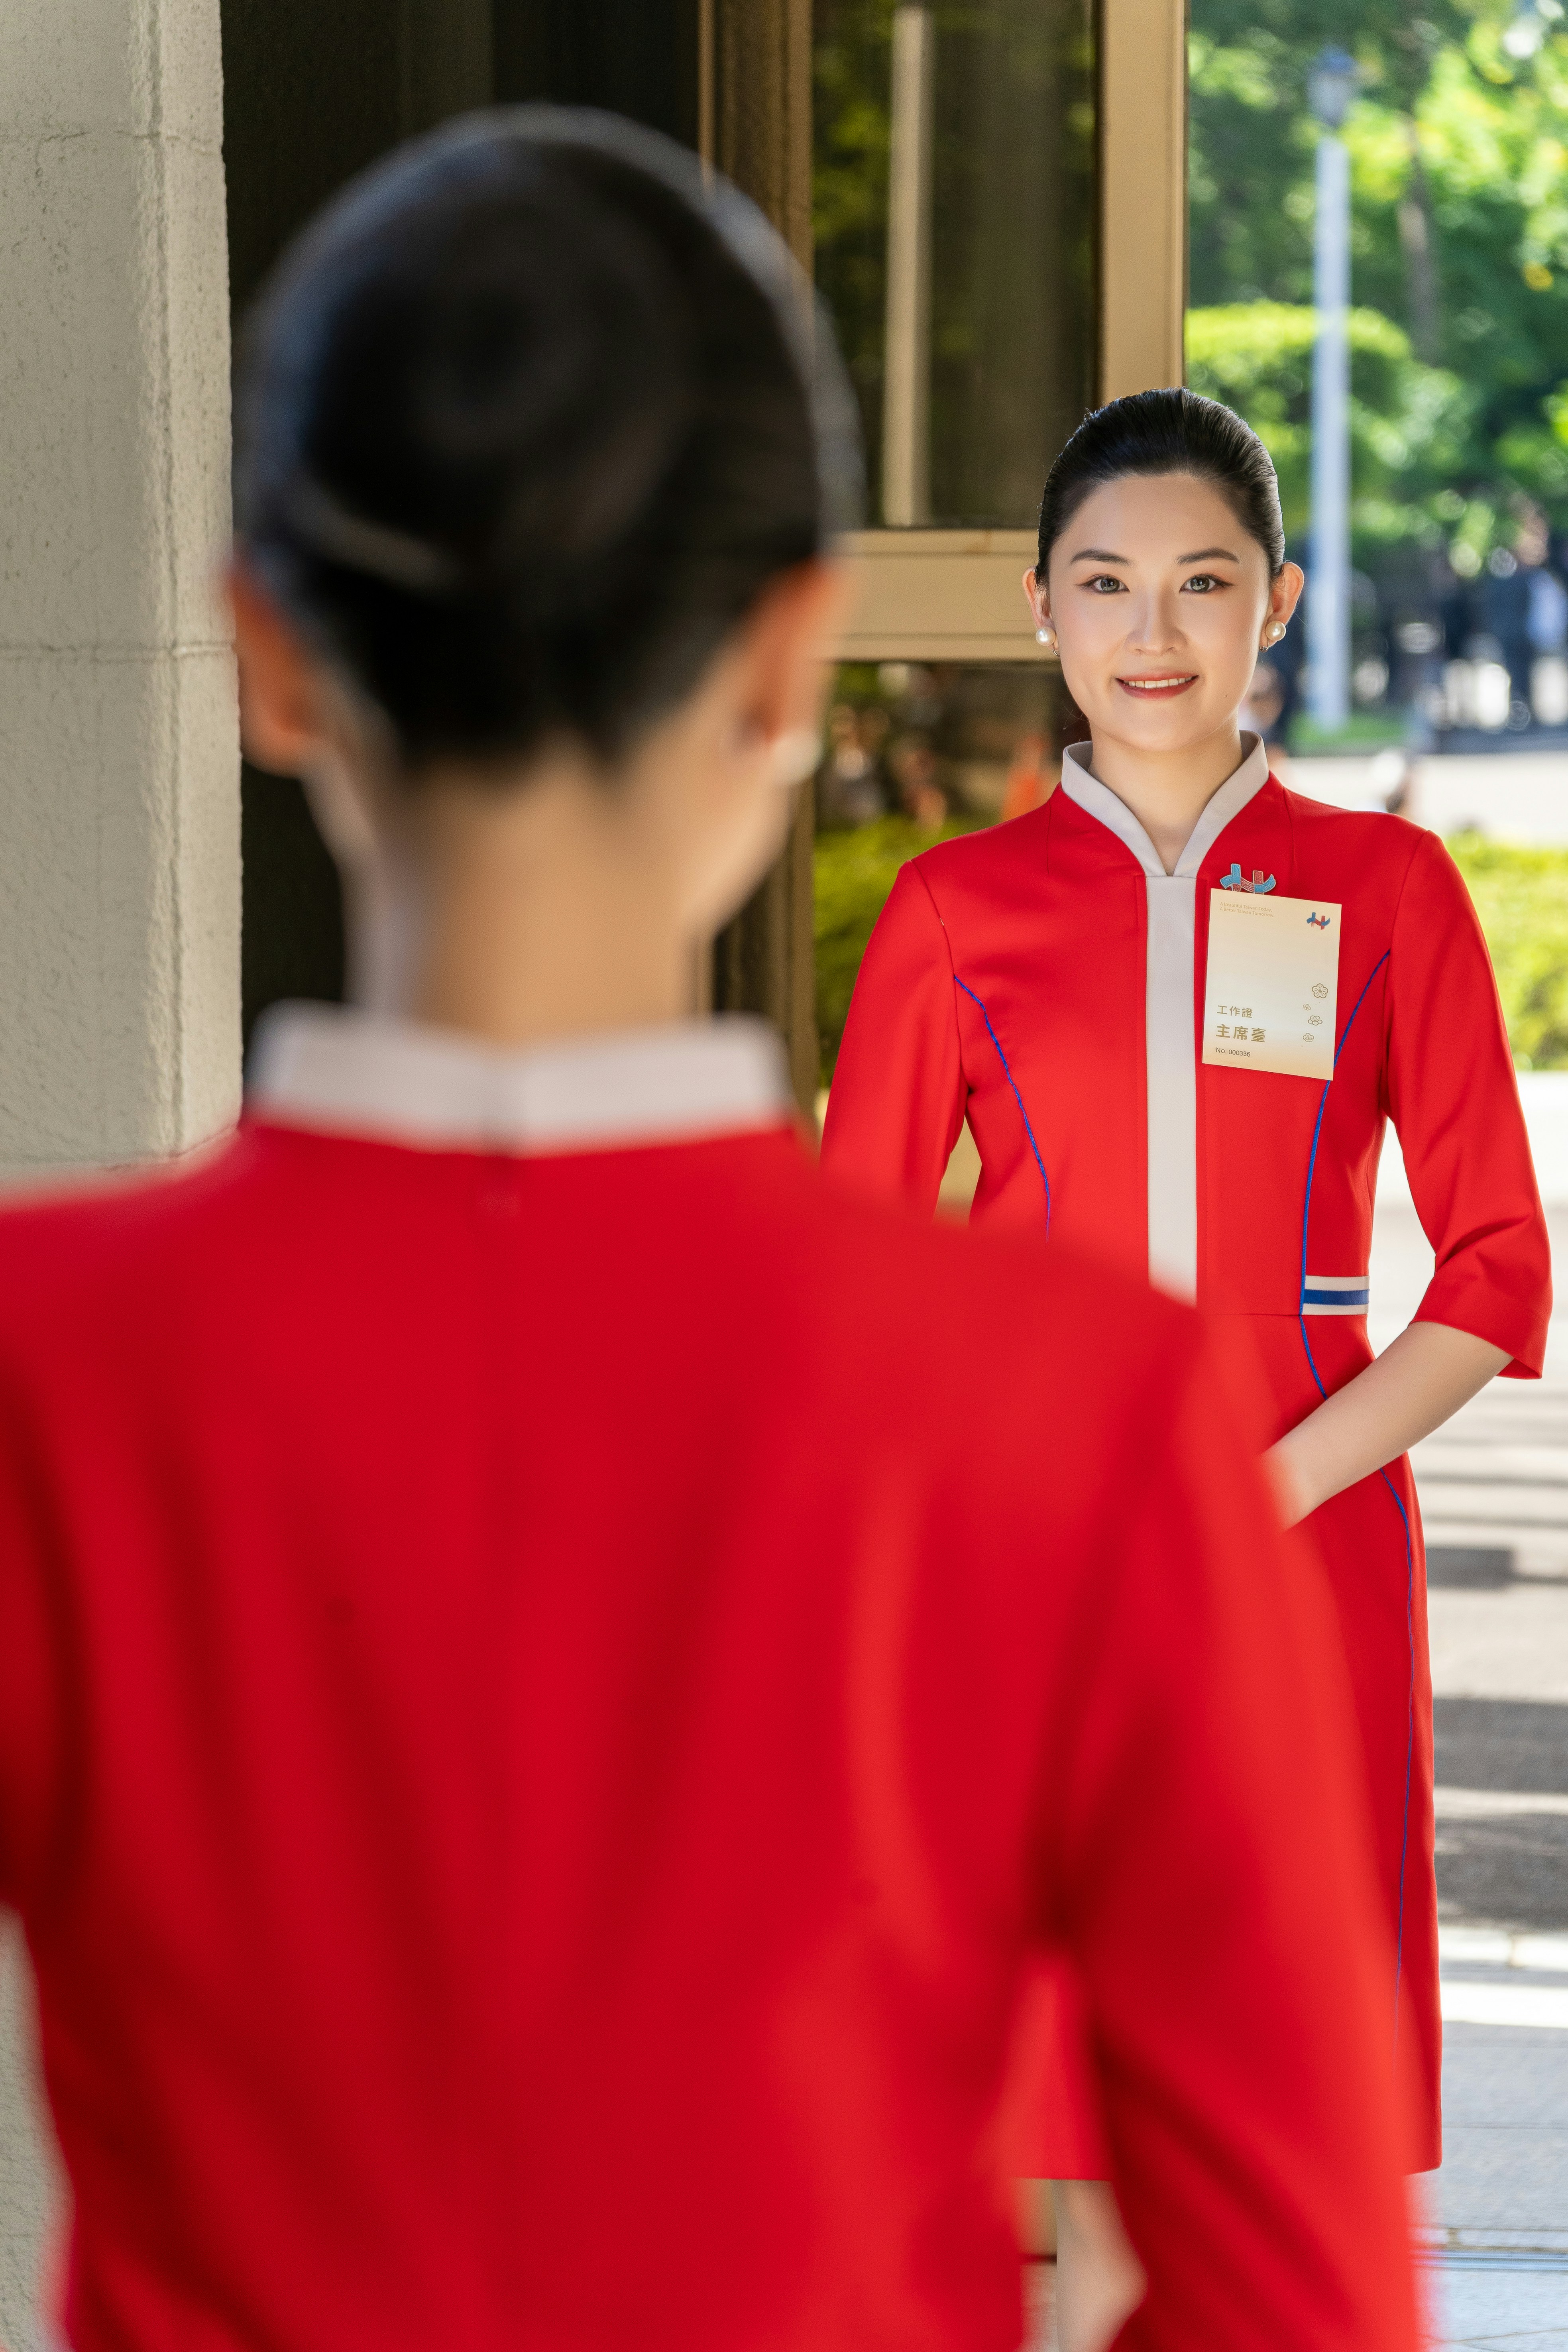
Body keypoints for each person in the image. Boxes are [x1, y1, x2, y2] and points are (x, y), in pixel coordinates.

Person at [0, 129, 1419, 2352]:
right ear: (788, 666)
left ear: (266, 658)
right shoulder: (1082, 1416)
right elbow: (1296, 2295)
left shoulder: (52, 1370)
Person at [823, 385, 1550, 2317]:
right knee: (1050, 2093)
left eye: (1204, 582)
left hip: (1301, 1560)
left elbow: (1496, 1272)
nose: (1153, 633)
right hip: (1031, 1575)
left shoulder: (1389, 893)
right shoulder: (953, 911)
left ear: (1278, 601)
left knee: (1268, 2102)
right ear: (1041, 609)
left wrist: (1266, 1487)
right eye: (1106, 583)